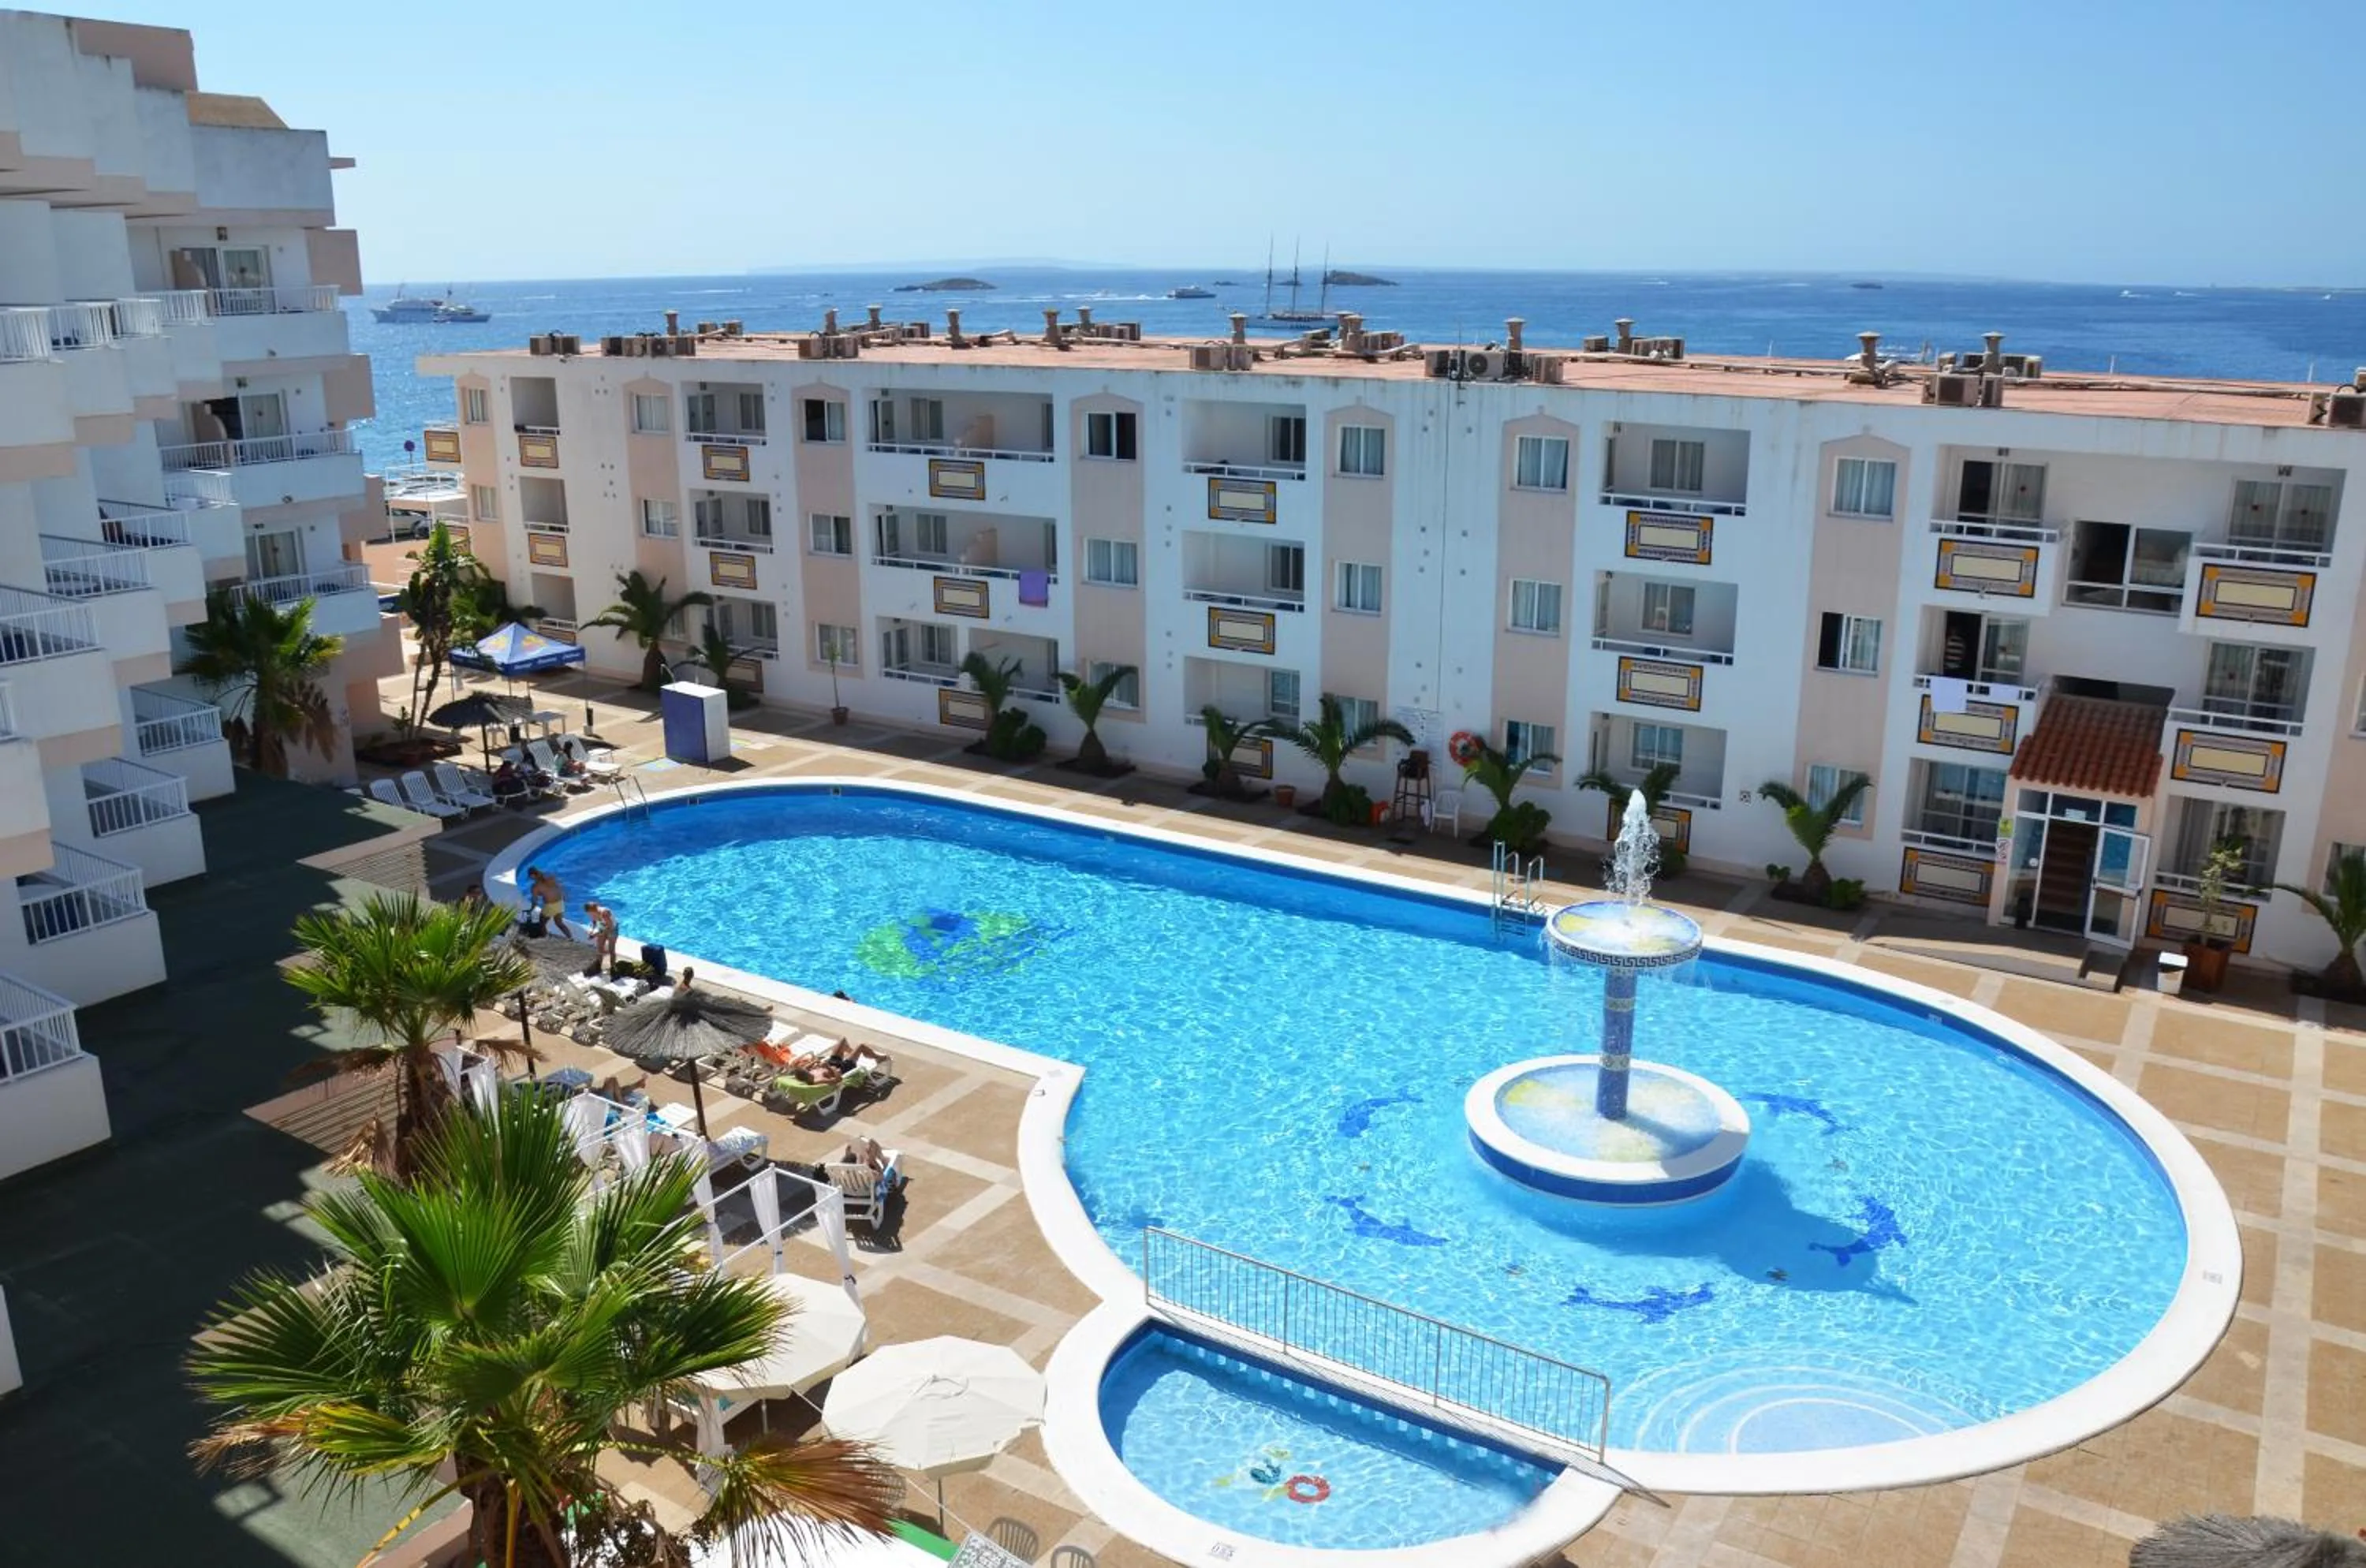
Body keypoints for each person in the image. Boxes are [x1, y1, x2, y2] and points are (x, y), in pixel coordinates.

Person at [526, 866, 575, 939]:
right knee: (559, 923)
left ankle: (545, 937)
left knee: (541, 923)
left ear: (532, 876)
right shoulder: (550, 877)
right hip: (560, 903)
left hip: (550, 906)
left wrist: (531, 909)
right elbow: (559, 887)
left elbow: (535, 900)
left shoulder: (535, 887)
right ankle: (571, 938)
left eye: (530, 877)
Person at [585, 901, 618, 968]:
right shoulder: (593, 913)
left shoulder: (605, 913)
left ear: (594, 910)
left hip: (612, 929)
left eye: (591, 913)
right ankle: (598, 966)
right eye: (589, 914)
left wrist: (596, 934)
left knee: (611, 950)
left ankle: (613, 967)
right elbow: (594, 923)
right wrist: (592, 930)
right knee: (599, 948)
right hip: (602, 926)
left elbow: (610, 927)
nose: (590, 915)